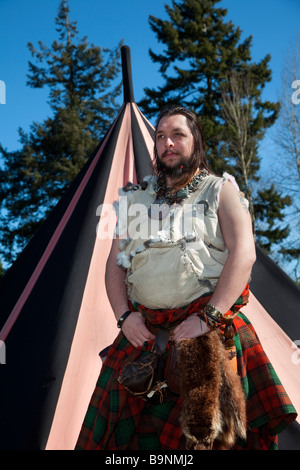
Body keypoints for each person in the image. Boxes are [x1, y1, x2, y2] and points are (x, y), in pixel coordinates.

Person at [75, 105, 297, 450]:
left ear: (196, 142)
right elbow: (115, 265)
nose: (168, 143)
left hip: (209, 333)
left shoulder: (220, 190)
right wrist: (124, 316)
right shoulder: (134, 199)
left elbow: (244, 253)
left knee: (211, 441)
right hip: (144, 337)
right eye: (161, 136)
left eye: (178, 134)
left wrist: (208, 318)